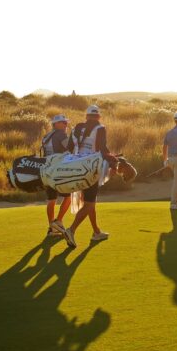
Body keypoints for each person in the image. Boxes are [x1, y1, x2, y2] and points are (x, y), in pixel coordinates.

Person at [58, 105, 110, 247]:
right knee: (89, 203)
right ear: (98, 117)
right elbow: (102, 149)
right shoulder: (100, 128)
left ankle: (96, 232)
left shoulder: (76, 128)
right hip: (91, 168)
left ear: (86, 116)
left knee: (89, 201)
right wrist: (113, 159)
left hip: (76, 167)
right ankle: (71, 230)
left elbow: (68, 148)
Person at [41, 114, 73, 236]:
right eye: (63, 123)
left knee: (51, 199)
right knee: (68, 197)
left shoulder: (46, 136)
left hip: (47, 171)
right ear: (56, 124)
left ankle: (51, 228)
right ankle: (58, 222)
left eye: (66, 122)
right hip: (60, 171)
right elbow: (70, 148)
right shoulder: (61, 134)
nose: (66, 125)